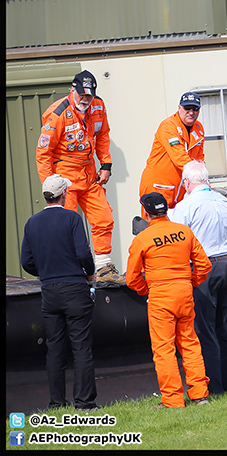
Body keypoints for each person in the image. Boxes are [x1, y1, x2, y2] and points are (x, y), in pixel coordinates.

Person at [36, 70, 124, 286]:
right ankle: (71, 271)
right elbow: (43, 153)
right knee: (67, 224)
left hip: (89, 173)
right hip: (64, 175)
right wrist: (49, 185)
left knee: (104, 218)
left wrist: (106, 163)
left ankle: (103, 268)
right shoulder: (56, 114)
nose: (85, 99)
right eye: (82, 94)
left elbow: (102, 135)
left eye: (89, 95)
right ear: (72, 90)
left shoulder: (98, 106)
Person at [126, 192, 213, 408]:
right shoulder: (184, 231)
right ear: (165, 210)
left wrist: (145, 289)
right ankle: (200, 394)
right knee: (190, 343)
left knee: (164, 349)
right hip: (184, 293)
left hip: (160, 297)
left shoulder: (143, 239)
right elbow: (204, 265)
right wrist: (190, 282)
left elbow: (132, 278)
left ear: (146, 213)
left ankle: (173, 400)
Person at [20, 174, 99, 411]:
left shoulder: (32, 223)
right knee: (81, 345)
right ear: (64, 193)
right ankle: (85, 402)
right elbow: (84, 254)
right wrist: (89, 274)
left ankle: (56, 402)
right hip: (75, 287)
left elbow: (26, 261)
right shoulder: (72, 218)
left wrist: (45, 271)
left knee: (54, 348)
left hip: (49, 290)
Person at [168, 160, 227, 395]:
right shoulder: (224, 201)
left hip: (204, 268)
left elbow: (178, 242)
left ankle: (215, 388)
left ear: (187, 182)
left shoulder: (185, 206)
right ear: (206, 180)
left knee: (206, 330)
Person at [139, 91, 205, 214]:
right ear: (179, 108)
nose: (191, 112)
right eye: (187, 108)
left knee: (173, 229)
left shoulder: (199, 129)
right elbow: (179, 157)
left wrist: (204, 180)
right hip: (157, 187)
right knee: (154, 228)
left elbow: (200, 158)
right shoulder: (169, 126)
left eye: (195, 108)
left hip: (178, 190)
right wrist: (200, 179)